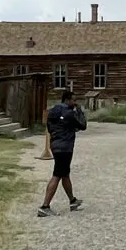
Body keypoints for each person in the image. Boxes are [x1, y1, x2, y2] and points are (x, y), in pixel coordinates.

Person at [40, 86, 85, 214]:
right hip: (65, 147)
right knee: (57, 175)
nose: (75, 103)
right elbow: (83, 125)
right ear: (67, 100)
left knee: (65, 174)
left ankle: (72, 200)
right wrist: (80, 111)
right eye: (73, 100)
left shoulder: (53, 110)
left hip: (55, 145)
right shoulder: (70, 113)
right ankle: (44, 207)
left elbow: (49, 126)